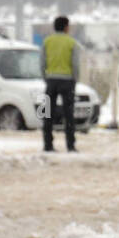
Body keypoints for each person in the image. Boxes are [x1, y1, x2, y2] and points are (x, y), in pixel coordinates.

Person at [41, 15, 80, 153]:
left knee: (47, 113)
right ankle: (70, 145)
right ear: (65, 27)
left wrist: (46, 78)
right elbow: (75, 64)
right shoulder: (71, 42)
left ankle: (47, 144)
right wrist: (75, 79)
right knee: (68, 114)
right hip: (67, 81)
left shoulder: (47, 42)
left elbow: (42, 63)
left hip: (51, 81)